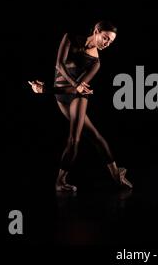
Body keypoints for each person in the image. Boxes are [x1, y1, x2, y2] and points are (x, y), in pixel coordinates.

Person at [28, 21, 133, 192]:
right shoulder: (70, 38)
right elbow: (59, 65)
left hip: (77, 96)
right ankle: (116, 173)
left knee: (74, 138)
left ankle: (60, 181)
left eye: (110, 42)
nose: (106, 44)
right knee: (94, 135)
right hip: (61, 94)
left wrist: (45, 89)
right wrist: (67, 85)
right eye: (105, 38)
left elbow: (77, 89)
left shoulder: (95, 63)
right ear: (96, 31)